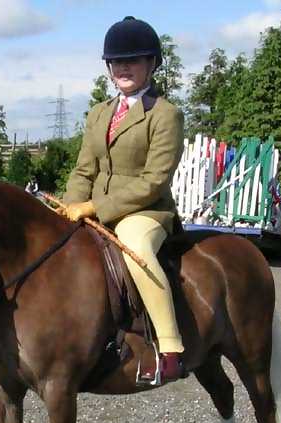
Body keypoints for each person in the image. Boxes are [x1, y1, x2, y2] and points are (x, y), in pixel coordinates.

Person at [58, 16, 185, 384]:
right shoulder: (99, 113)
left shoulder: (166, 115)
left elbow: (154, 181)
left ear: (152, 63)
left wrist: (94, 207)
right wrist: (68, 206)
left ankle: (170, 347)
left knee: (135, 249)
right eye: (116, 61)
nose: (123, 68)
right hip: (96, 206)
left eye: (133, 60)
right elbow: (84, 170)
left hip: (146, 211)